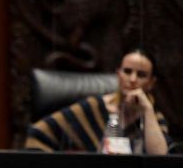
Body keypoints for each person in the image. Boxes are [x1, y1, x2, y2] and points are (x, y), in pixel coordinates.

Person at [25, 49, 171, 155]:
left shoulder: (153, 118)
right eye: (127, 71)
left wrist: (147, 109)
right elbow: (38, 133)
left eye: (141, 75)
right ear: (118, 74)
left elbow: (159, 158)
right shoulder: (94, 108)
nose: (132, 79)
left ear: (151, 83)